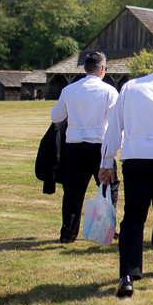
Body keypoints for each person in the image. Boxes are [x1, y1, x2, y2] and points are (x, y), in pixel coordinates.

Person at [98, 45, 153, 298]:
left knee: (134, 217)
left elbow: (115, 126)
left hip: (136, 156)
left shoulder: (131, 87)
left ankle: (128, 274)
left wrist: (107, 160)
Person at [50, 51, 119, 243]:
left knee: (73, 192)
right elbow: (114, 120)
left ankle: (68, 233)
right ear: (103, 69)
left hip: (75, 146)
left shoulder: (70, 90)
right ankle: (106, 228)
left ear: (84, 68)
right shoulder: (109, 91)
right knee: (107, 188)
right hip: (99, 146)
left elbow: (55, 116)